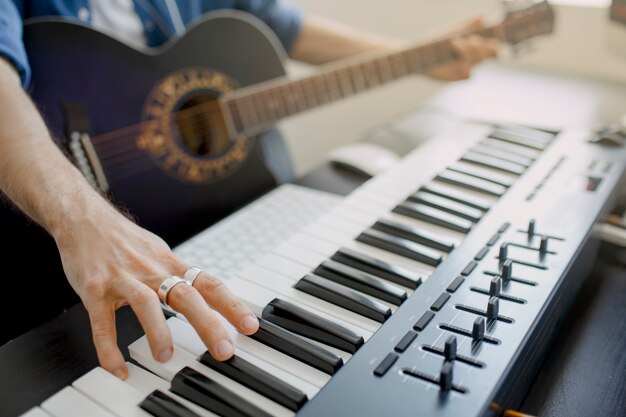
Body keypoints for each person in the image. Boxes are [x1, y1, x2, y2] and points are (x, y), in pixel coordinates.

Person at [0, 0, 498, 380]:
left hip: (231, 213)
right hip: (66, 261)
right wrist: (83, 218)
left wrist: (417, 58)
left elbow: (282, 27)